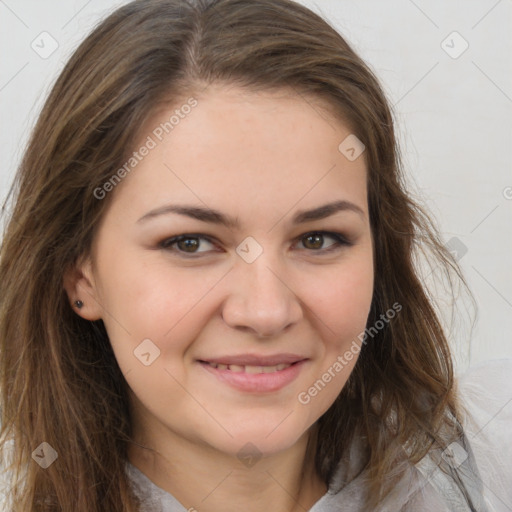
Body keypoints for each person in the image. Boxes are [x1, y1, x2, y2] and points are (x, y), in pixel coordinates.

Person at [0, 0, 510, 510]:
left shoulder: (489, 466)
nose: (267, 311)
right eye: (191, 243)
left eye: (318, 239)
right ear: (79, 275)